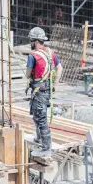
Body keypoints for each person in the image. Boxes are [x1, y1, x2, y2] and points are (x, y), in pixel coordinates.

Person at [25, 27, 63, 156]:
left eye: (31, 41)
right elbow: (60, 68)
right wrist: (56, 84)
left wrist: (30, 76)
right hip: (47, 88)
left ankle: (46, 148)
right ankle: (39, 138)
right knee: (37, 113)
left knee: (41, 118)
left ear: (35, 41)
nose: (30, 43)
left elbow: (27, 74)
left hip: (38, 90)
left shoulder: (33, 56)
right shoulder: (49, 52)